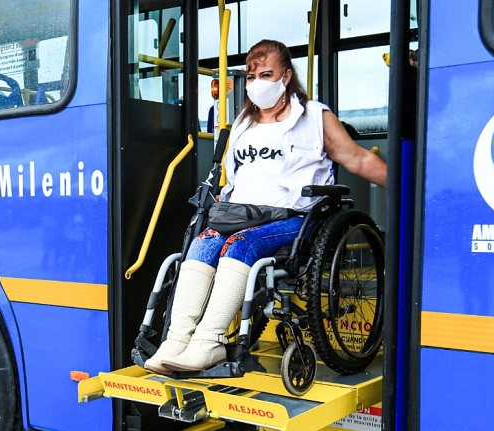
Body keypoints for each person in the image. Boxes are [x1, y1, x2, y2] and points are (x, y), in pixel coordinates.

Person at [144, 39, 387, 375]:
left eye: (266, 74)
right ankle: (176, 340)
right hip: (243, 213)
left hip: (296, 216)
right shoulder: (243, 124)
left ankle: (210, 342)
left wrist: (414, 187)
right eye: (252, 75)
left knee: (241, 245)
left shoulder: (315, 116)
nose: (257, 83)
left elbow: (357, 158)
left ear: (286, 77)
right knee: (203, 242)